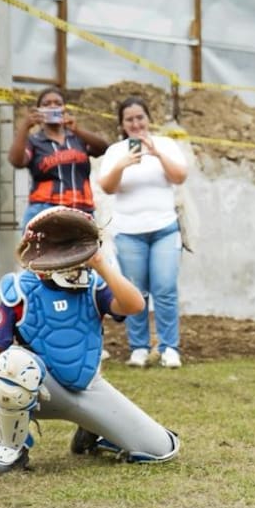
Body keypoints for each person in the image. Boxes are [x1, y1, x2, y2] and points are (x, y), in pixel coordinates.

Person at [0, 211, 179, 474]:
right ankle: (11, 448)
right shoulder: (20, 290)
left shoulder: (93, 285)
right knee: (12, 363)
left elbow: (135, 305)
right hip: (39, 390)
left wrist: (101, 265)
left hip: (86, 387)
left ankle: (92, 431)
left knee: (160, 449)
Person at [96, 97, 189, 369]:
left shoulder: (166, 145)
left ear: (148, 119)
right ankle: (138, 347)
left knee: (165, 287)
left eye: (140, 118)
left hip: (164, 229)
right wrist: (123, 164)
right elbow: (108, 187)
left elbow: (180, 176)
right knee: (135, 292)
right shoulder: (116, 151)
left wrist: (157, 154)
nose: (136, 124)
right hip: (129, 232)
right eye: (129, 120)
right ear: (122, 125)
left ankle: (169, 347)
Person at [9, 85, 109, 227]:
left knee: (85, 250)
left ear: (64, 109)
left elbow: (103, 148)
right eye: (46, 104)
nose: (53, 107)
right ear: (39, 111)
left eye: (58, 103)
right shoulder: (34, 141)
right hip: (45, 210)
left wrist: (77, 129)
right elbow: (16, 161)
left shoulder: (77, 139)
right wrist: (25, 127)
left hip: (81, 210)